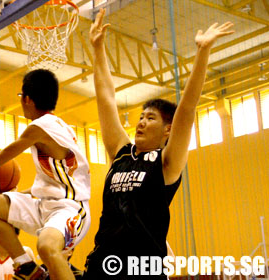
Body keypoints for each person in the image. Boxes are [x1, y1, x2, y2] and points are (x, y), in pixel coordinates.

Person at [83, 9, 234, 279]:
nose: (141, 122)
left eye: (150, 118)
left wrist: (202, 53)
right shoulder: (120, 153)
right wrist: (97, 48)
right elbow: (106, 96)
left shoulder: (166, 163)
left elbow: (186, 111)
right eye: (140, 117)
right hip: (103, 265)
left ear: (168, 129)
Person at [0, 69, 91, 280]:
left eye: (21, 97)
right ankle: (28, 268)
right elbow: (57, 181)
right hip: (44, 205)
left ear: (27, 99)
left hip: (70, 209)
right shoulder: (58, 126)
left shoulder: (40, 127)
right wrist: (19, 194)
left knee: (46, 246)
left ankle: (62, 271)